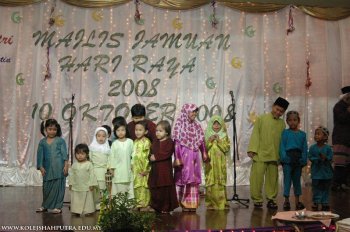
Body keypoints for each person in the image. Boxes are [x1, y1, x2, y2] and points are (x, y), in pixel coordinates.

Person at [247, 97, 289, 209]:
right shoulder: (262, 118)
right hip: (260, 154)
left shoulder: (282, 124)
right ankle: (257, 199)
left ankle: (271, 199)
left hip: (274, 155)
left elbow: (282, 141)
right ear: (273, 106)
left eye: (281, 111)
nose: (278, 112)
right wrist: (252, 149)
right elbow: (255, 134)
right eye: (277, 109)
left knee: (272, 179)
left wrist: (281, 155)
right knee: (257, 178)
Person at [173, 103, 208, 212]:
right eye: (192, 111)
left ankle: (191, 204)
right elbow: (176, 143)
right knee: (184, 178)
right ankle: (183, 203)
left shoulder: (197, 125)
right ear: (186, 112)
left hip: (194, 156)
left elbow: (201, 140)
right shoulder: (179, 124)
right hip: (184, 156)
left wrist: (204, 153)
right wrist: (178, 157)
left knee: (193, 178)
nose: (194, 113)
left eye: (195, 111)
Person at [36, 119, 69, 214]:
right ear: (45, 129)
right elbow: (40, 155)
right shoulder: (42, 142)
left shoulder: (60, 141)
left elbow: (64, 155)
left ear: (57, 130)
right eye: (50, 129)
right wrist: (40, 166)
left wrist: (66, 166)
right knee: (46, 187)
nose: (52, 131)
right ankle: (45, 205)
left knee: (59, 186)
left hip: (59, 167)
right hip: (47, 168)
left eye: (54, 129)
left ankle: (58, 206)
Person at [279, 111, 308, 211]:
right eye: (290, 120)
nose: (292, 122)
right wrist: (284, 157)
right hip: (288, 157)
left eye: (295, 120)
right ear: (287, 121)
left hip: (298, 158)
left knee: (297, 180)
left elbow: (304, 148)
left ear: (298, 121)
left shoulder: (302, 135)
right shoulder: (285, 133)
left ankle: (297, 201)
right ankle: (286, 200)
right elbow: (282, 146)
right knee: (287, 179)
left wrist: (304, 159)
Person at [149, 120, 179, 213]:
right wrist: (150, 157)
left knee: (165, 189)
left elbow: (167, 153)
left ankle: (165, 208)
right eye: (156, 131)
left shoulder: (169, 142)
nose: (157, 133)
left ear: (166, 132)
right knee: (155, 188)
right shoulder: (155, 142)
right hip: (155, 170)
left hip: (165, 170)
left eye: (160, 131)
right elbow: (151, 153)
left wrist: (156, 157)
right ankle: (156, 206)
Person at [204, 115, 231, 210]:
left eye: (218, 124)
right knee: (210, 180)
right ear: (211, 124)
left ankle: (221, 203)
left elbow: (226, 148)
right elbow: (204, 148)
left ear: (221, 125)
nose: (216, 126)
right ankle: (210, 203)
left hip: (220, 163)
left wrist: (219, 141)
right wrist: (210, 141)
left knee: (220, 180)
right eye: (214, 124)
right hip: (210, 163)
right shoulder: (207, 135)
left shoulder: (224, 135)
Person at [68, 143, 98, 216]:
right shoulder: (74, 164)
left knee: (88, 199)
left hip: (86, 185)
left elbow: (92, 175)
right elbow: (71, 174)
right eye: (78, 154)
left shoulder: (89, 164)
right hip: (76, 185)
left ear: (87, 154)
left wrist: (91, 184)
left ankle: (88, 211)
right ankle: (76, 210)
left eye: (82, 154)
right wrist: (70, 183)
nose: (80, 156)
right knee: (76, 199)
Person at [108, 116, 134, 198]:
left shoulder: (130, 142)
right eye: (118, 130)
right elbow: (111, 156)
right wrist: (111, 168)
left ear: (126, 130)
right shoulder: (114, 143)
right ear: (115, 132)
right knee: (118, 187)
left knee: (128, 186)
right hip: (118, 170)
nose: (120, 132)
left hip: (128, 169)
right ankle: (118, 206)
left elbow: (134, 155)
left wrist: (133, 164)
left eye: (122, 130)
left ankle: (128, 206)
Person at [308, 126, 333, 211]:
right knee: (316, 187)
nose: (316, 136)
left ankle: (325, 202)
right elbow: (310, 156)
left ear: (325, 137)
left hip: (326, 173)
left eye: (319, 134)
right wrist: (317, 159)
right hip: (316, 173)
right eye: (315, 134)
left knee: (325, 187)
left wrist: (325, 158)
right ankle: (316, 201)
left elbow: (330, 157)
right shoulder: (312, 148)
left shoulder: (328, 148)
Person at [332, 86, 350, 191]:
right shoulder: (338, 106)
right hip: (340, 139)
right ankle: (336, 184)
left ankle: (344, 183)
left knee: (347, 164)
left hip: (347, 140)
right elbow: (341, 119)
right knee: (340, 163)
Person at [89, 127, 110, 210]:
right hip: (95, 171)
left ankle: (104, 203)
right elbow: (90, 160)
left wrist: (108, 169)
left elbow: (110, 160)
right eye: (99, 136)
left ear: (106, 137)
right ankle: (96, 204)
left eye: (103, 136)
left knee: (104, 188)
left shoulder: (108, 149)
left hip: (105, 171)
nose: (101, 138)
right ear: (95, 136)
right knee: (96, 188)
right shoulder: (91, 148)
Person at [132, 120, 151, 210]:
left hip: (144, 168)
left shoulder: (146, 142)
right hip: (135, 168)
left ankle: (145, 204)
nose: (137, 132)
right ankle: (138, 203)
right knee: (136, 185)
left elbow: (148, 156)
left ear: (146, 131)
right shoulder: (134, 141)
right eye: (136, 130)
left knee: (144, 186)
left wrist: (147, 169)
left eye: (140, 130)